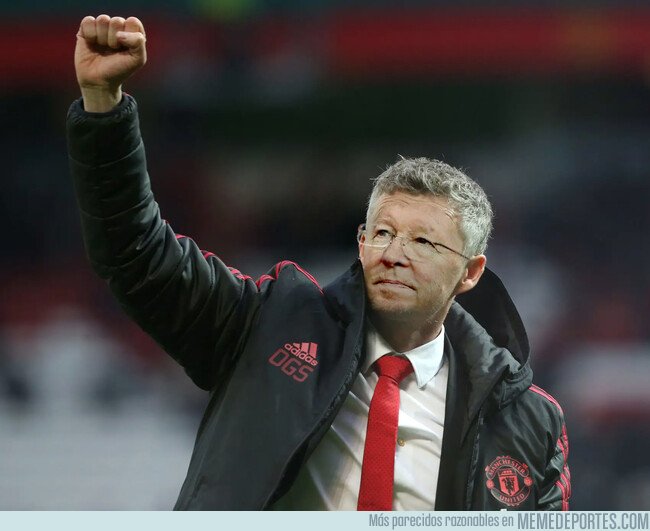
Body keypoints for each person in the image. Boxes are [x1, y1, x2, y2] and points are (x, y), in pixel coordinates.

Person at [67, 15, 570, 511]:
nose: (394, 254)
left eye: (423, 242)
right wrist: (104, 107)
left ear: (471, 272)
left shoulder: (529, 420)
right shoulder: (269, 324)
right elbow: (138, 254)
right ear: (361, 243)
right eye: (383, 234)